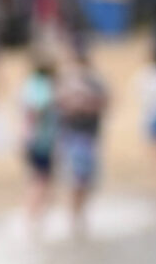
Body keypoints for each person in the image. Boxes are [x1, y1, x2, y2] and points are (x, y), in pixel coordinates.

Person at [52, 44, 109, 238]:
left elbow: (106, 102)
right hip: (73, 136)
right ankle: (74, 218)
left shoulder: (95, 82)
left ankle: (79, 217)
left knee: (86, 180)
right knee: (76, 179)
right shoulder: (65, 82)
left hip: (89, 136)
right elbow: (59, 106)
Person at [18, 46, 60, 237]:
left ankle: (36, 218)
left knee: (41, 179)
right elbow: (38, 107)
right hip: (40, 140)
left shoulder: (31, 83)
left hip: (36, 138)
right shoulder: (42, 84)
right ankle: (32, 219)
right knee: (40, 180)